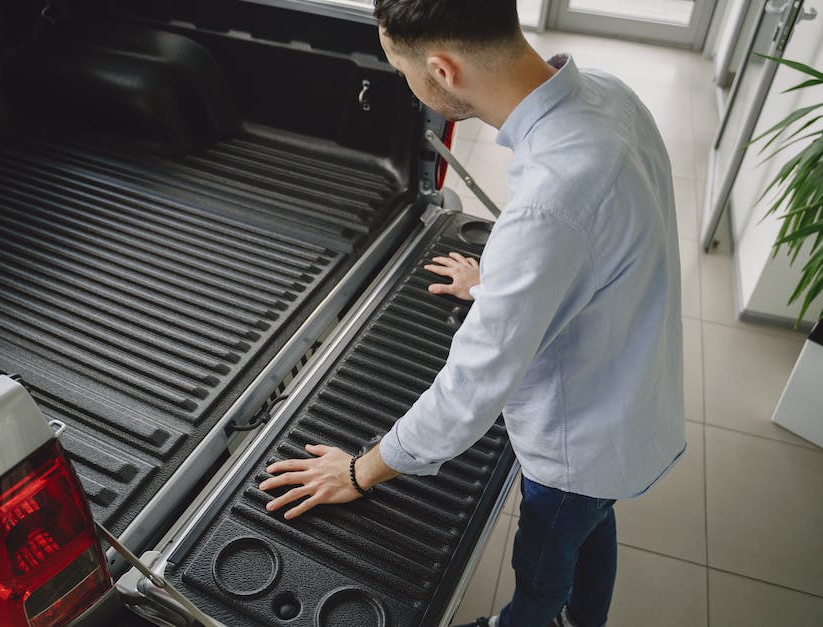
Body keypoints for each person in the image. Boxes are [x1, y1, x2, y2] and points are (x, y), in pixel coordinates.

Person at [259, 1, 686, 625]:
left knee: (542, 575)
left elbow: (469, 394)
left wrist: (358, 471)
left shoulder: (548, 205)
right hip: (630, 407)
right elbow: (602, 245)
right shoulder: (611, 97)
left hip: (579, 449)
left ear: (443, 71)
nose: (405, 85)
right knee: (595, 522)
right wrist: (503, 284)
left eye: (401, 70)